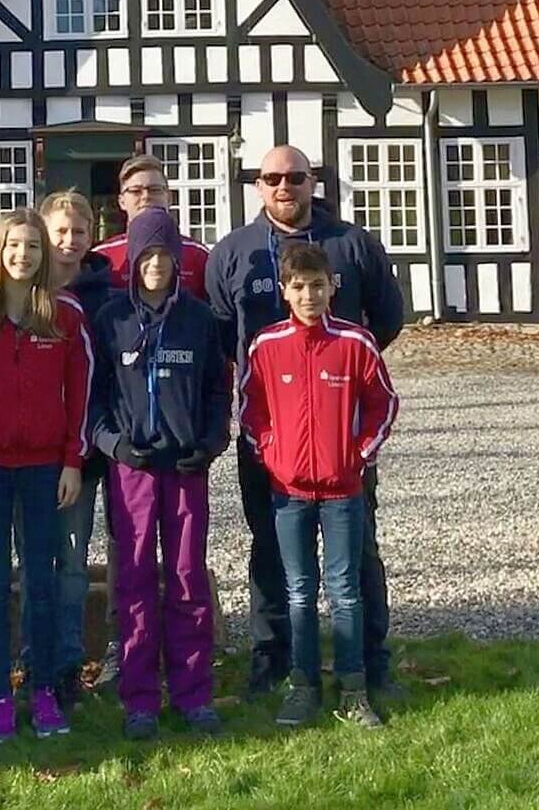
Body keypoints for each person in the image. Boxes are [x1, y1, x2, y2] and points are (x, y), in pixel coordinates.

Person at [204, 144, 404, 698]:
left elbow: (385, 321)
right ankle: (276, 663)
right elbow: (226, 336)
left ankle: (368, 662)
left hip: (341, 437)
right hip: (270, 437)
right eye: (272, 178)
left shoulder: (352, 244)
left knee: (358, 552)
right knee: (269, 549)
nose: (284, 187)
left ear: (312, 180)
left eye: (295, 176)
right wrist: (265, 427)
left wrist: (348, 417)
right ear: (258, 185)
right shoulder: (233, 253)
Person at [0, 208, 93, 744]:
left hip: (43, 468)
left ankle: (45, 691)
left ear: (44, 255)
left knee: (42, 579)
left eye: (33, 246)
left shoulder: (65, 315)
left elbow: (80, 393)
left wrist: (73, 461)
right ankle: (1, 699)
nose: (23, 255)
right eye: (14, 245)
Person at [240, 242, 399, 728]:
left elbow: (383, 403)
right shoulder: (266, 346)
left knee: (346, 590)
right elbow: (251, 410)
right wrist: (272, 453)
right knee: (298, 591)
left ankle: (353, 688)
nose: (309, 295)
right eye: (299, 287)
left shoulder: (355, 343)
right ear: (285, 292)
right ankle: (302, 685)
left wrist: (359, 453)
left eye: (317, 286)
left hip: (343, 491)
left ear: (332, 288)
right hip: (288, 492)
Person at [91, 206, 229, 739]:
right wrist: (114, 444)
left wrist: (213, 441)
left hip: (186, 468)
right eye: (145, 255)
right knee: (134, 582)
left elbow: (218, 390)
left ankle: (194, 694)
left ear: (176, 259)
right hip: (133, 471)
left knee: (188, 578)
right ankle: (140, 699)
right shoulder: (112, 321)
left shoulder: (198, 320)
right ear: (132, 260)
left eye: (164, 255)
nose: (155, 265)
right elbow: (94, 397)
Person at [31, 189, 114, 704]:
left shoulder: (104, 295)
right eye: (59, 231)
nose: (67, 241)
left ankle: (65, 662)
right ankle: (31, 657)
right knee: (31, 557)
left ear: (90, 237)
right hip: (22, 449)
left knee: (73, 559)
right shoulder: (18, 288)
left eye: (77, 232)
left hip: (81, 451)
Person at [94, 154, 211, 299]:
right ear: (122, 202)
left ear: (169, 198)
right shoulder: (103, 257)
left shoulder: (198, 255)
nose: (146, 196)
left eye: (154, 189)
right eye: (136, 191)